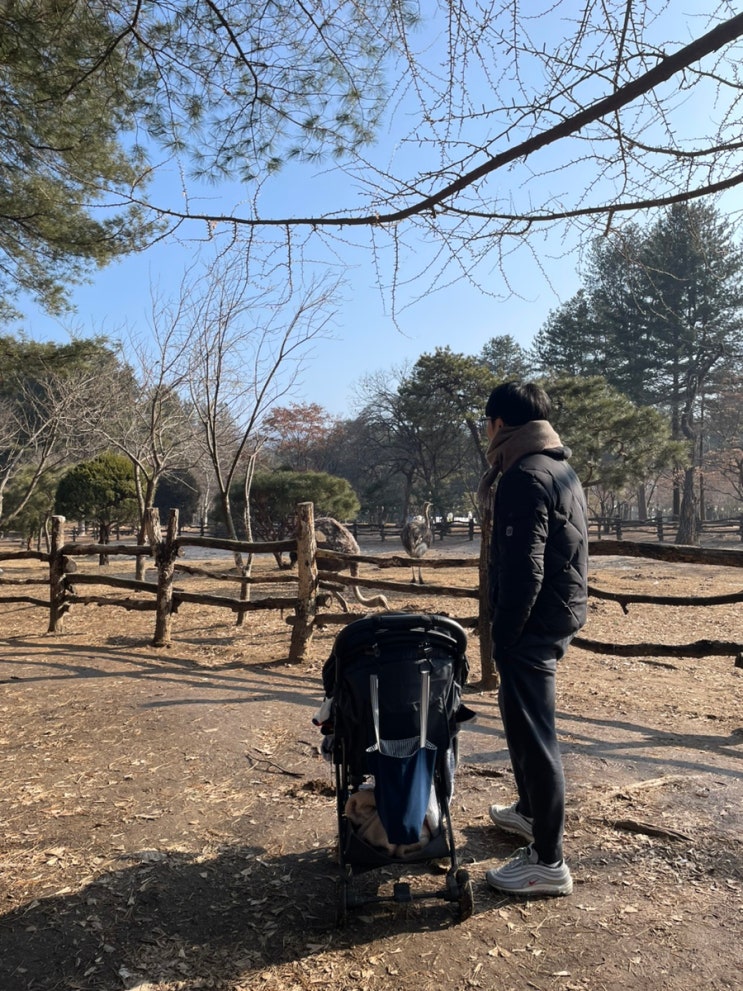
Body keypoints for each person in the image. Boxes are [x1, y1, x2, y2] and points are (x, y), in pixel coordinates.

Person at [479, 381, 588, 897]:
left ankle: (548, 860)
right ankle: (528, 813)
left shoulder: (523, 476)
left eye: (486, 423)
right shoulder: (557, 466)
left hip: (532, 625)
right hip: (552, 618)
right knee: (522, 724)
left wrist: (503, 636)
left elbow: (525, 571)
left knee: (536, 735)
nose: (485, 433)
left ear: (501, 424)